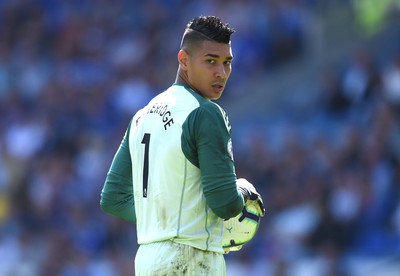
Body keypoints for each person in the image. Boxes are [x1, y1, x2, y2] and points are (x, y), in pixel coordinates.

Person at [100, 15, 265, 275]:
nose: (221, 72)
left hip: (148, 259)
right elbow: (225, 203)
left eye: (227, 63)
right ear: (184, 60)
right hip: (192, 258)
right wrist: (243, 191)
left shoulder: (142, 116)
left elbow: (112, 199)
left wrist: (164, 220)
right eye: (210, 61)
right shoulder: (206, 113)